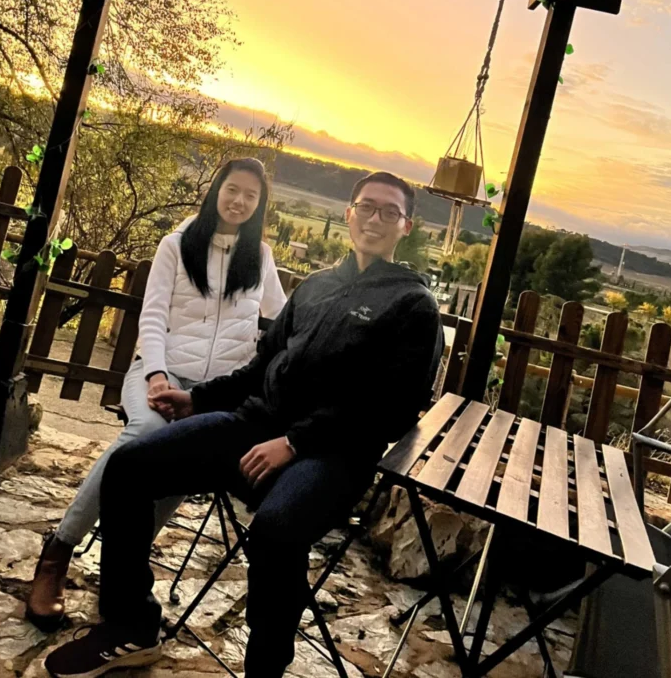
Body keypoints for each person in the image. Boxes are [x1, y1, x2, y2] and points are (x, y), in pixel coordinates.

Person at [43, 171, 444, 678]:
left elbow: (391, 408)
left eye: (390, 212)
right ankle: (131, 624)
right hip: (255, 427)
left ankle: (264, 671)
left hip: (332, 456)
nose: (375, 219)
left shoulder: (413, 306)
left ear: (406, 226)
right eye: (366, 206)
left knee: (276, 530)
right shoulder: (316, 287)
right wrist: (197, 399)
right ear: (349, 213)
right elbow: (260, 369)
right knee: (129, 466)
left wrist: (294, 442)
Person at [27, 157, 286, 631]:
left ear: (259, 204)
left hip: (215, 393)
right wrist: (157, 376)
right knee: (144, 435)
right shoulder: (176, 245)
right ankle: (58, 551)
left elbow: (282, 322)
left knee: (187, 454)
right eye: (232, 189)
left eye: (251, 195)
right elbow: (151, 316)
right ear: (216, 190)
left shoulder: (261, 258)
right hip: (159, 373)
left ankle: (124, 569)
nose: (239, 201)